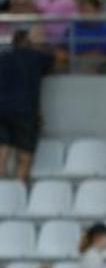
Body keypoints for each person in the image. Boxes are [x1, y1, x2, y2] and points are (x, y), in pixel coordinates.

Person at [0, 30, 53, 183]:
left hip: (1, 110)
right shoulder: (36, 58)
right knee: (24, 155)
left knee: (2, 152)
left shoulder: (3, 58)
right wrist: (40, 44)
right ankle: (19, 195)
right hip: (25, 111)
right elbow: (53, 60)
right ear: (29, 42)